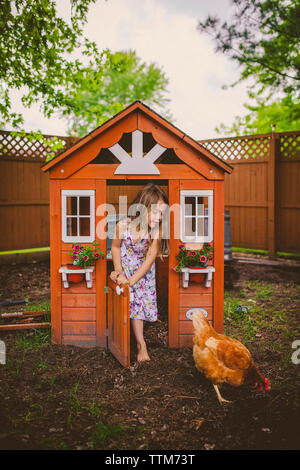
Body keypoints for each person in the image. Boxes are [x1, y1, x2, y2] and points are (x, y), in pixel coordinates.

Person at [110, 183, 169, 362]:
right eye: (156, 212)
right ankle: (126, 342)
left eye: (162, 214)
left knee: (138, 309)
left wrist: (132, 281)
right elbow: (115, 247)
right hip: (126, 269)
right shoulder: (123, 225)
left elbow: (151, 257)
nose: (159, 218)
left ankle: (140, 344)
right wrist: (119, 272)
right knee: (124, 304)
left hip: (143, 274)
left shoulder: (155, 232)